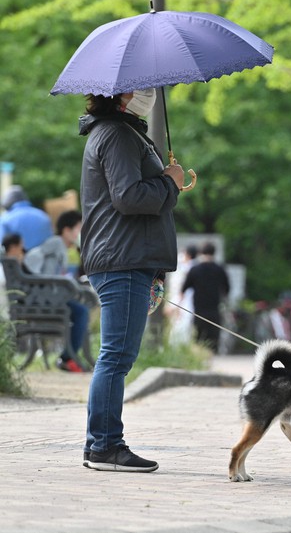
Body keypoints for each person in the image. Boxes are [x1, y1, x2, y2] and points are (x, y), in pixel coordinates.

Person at [79, 89, 184, 472]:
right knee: (117, 356)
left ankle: (98, 443)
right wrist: (169, 182)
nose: (149, 94)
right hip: (121, 258)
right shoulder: (117, 134)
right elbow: (128, 197)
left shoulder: (119, 132)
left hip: (122, 255)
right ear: (121, 94)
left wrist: (167, 181)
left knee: (115, 355)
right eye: (143, 88)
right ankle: (106, 446)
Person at [25, 210, 90, 373]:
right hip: (46, 300)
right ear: (66, 230)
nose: (80, 233)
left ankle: (68, 357)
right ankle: (67, 358)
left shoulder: (60, 246)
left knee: (81, 309)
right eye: (78, 228)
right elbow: (48, 276)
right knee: (82, 311)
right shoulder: (56, 244)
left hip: (47, 297)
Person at [181, 241, 229, 353]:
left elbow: (183, 289)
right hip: (214, 310)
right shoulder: (220, 269)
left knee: (198, 341)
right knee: (213, 342)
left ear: (200, 253)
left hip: (198, 311)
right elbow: (227, 289)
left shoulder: (194, 269)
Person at [0, 185, 53, 251]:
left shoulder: (5, 219)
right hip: (44, 257)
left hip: (18, 257)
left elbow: (2, 248)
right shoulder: (43, 216)